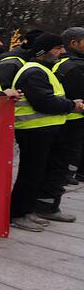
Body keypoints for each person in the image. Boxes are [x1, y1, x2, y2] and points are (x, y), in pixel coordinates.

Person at [9, 33, 84, 231]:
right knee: (29, 174)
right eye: (58, 48)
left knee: (36, 173)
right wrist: (71, 105)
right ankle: (17, 213)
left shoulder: (43, 70)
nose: (62, 51)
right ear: (44, 51)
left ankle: (27, 211)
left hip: (42, 130)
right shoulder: (34, 71)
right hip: (33, 131)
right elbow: (44, 101)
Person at [55, 27, 84, 184]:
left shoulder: (63, 62)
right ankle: (69, 174)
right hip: (73, 116)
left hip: (68, 115)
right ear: (73, 43)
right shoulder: (75, 66)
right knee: (71, 150)